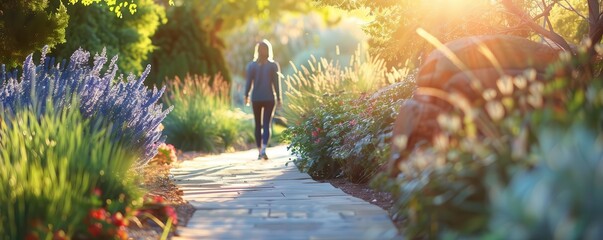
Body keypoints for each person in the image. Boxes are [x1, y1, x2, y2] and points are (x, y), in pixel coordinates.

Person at [244, 39, 282, 160]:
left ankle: (259, 151)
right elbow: (277, 83)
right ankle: (264, 149)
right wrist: (279, 98)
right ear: (269, 51)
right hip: (269, 98)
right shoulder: (273, 65)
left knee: (257, 125)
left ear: (257, 51)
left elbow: (248, 82)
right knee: (266, 124)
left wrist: (246, 96)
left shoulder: (251, 66)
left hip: (256, 98)